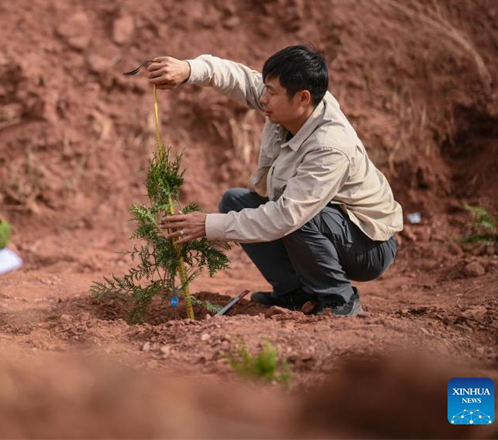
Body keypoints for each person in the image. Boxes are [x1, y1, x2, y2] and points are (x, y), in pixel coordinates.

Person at [154, 46, 402, 316]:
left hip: (367, 245)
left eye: (271, 92)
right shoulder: (293, 108)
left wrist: (208, 225)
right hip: (327, 221)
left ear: (302, 98)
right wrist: (189, 69)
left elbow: (288, 215)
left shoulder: (329, 146)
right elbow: (240, 78)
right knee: (235, 201)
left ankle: (338, 300)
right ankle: (296, 295)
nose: (262, 98)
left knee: (299, 216)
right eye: (265, 88)